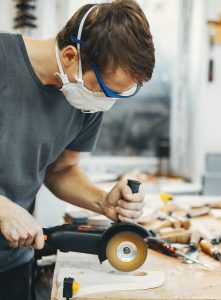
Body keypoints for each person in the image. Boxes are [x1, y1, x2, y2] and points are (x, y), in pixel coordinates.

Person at [0, 1, 155, 299]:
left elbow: (61, 169)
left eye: (115, 94)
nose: (105, 102)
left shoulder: (86, 100)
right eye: (103, 90)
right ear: (70, 55)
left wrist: (102, 201)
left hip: (12, 261)